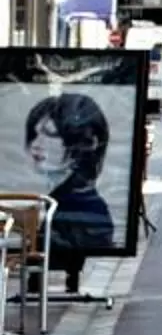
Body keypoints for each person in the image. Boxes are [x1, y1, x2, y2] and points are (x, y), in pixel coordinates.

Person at [24, 93, 115, 257]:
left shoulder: (84, 208)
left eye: (51, 134)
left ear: (88, 142)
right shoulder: (63, 196)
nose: (36, 144)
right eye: (35, 134)